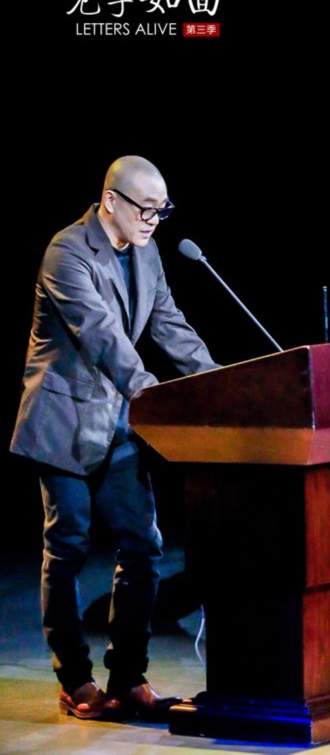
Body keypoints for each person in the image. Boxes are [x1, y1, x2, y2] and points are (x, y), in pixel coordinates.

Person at [10, 156, 219, 721]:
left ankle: (127, 677)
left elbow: (169, 323)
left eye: (162, 211)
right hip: (62, 423)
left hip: (117, 422)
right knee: (68, 547)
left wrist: (218, 383)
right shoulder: (67, 251)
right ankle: (74, 679)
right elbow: (101, 333)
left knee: (143, 545)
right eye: (146, 209)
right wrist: (149, 389)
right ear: (111, 201)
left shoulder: (147, 252)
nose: (154, 220)